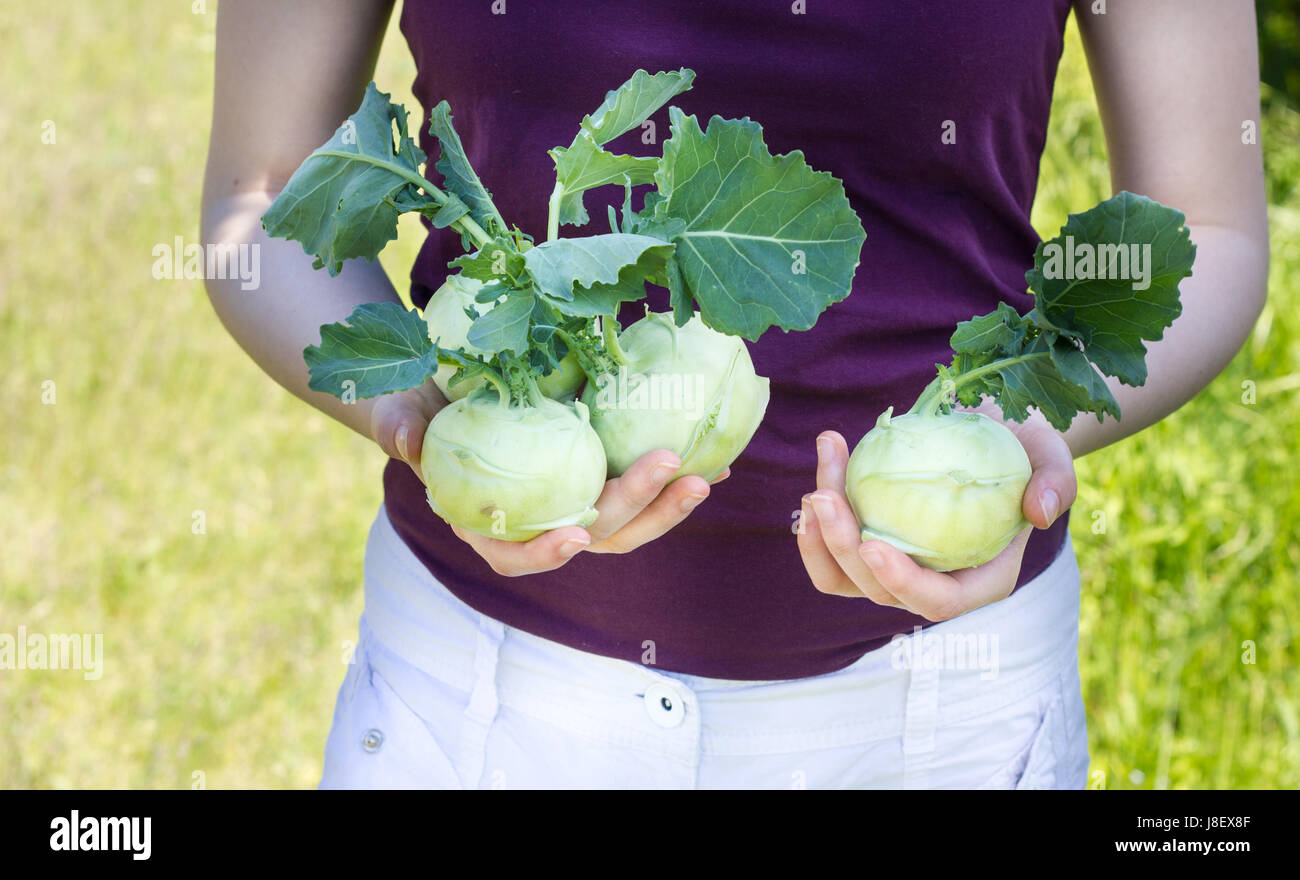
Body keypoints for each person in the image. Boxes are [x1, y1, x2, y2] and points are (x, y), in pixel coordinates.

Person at [202, 0, 1268, 788]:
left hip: (944, 724)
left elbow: (1204, 228)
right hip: (481, 711)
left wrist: (1027, 425)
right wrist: (415, 418)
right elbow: (262, 194)